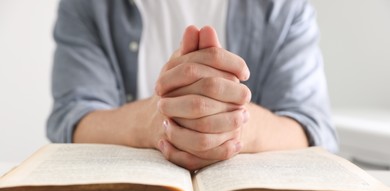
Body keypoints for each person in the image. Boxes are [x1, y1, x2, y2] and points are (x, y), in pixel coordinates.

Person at [47, 0, 338, 171]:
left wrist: (232, 124)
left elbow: (312, 125)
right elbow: (72, 117)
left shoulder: (283, 5)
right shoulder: (87, 5)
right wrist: (156, 118)